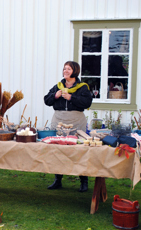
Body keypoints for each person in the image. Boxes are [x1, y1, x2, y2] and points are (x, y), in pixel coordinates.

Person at [44, 61, 93, 192]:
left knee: (80, 151)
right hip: (59, 120)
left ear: (75, 71)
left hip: (76, 121)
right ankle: (58, 180)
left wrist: (72, 97)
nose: (65, 71)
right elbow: (46, 100)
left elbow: (87, 102)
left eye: (69, 69)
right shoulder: (58, 86)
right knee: (58, 150)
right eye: (64, 69)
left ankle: (83, 181)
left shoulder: (82, 87)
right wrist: (55, 95)